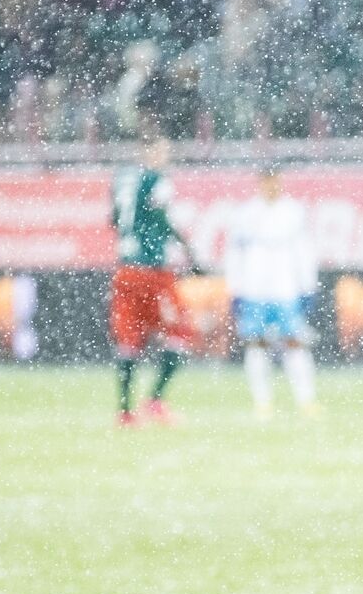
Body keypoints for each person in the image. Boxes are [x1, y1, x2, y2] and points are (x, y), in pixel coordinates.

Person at [109, 134, 202, 427]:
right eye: (162, 150)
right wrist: (187, 250)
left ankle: (124, 412)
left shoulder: (122, 179)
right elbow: (162, 218)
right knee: (180, 333)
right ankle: (156, 401)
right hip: (153, 271)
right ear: (148, 151)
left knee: (129, 340)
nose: (165, 156)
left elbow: (114, 218)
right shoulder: (157, 179)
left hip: (125, 270)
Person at [224, 167, 319, 418]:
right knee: (256, 345)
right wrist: (235, 288)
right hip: (254, 289)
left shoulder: (293, 212)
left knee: (295, 344)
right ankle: (262, 402)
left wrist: (307, 286)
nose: (271, 186)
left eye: (275, 181)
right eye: (267, 182)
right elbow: (235, 254)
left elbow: (304, 251)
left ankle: (306, 400)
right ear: (260, 183)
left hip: (286, 288)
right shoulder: (246, 214)